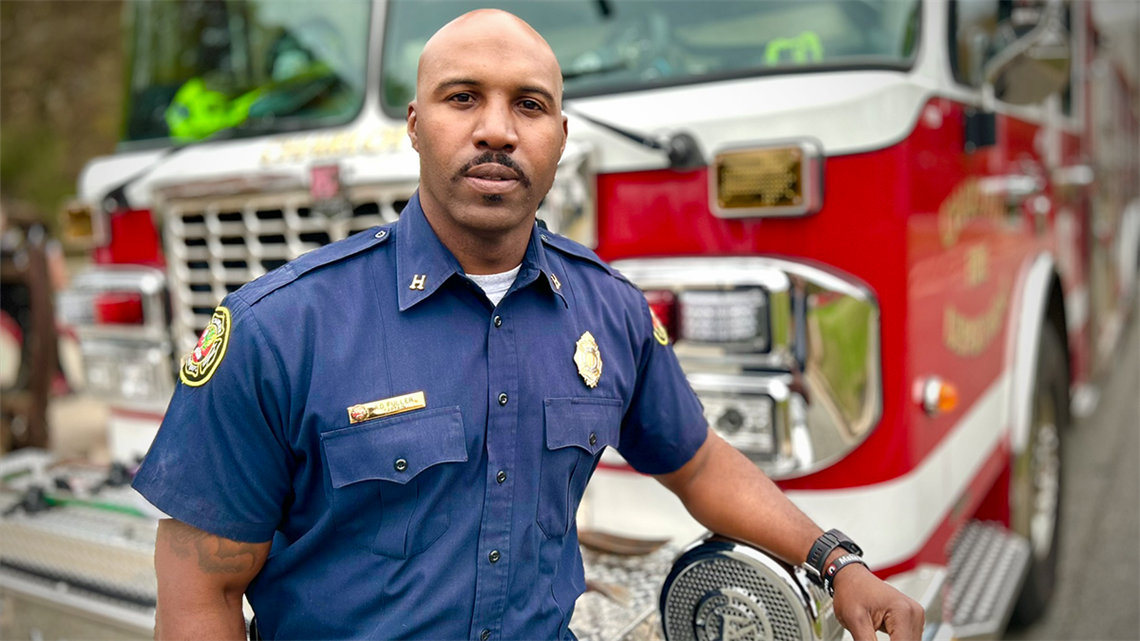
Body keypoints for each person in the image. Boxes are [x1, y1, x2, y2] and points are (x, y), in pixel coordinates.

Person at [133, 9, 924, 641]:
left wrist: (837, 561)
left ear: (559, 139)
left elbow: (700, 463)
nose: (498, 130)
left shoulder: (609, 308)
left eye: (530, 105)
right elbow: (200, 587)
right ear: (414, 125)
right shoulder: (281, 327)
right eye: (463, 97)